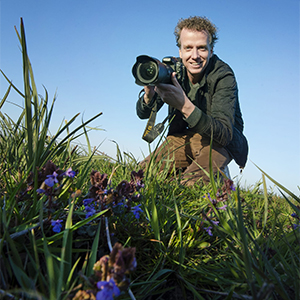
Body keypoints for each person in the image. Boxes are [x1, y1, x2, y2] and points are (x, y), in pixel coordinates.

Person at [136, 16, 248, 185]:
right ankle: (201, 172)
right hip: (183, 137)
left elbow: (224, 134)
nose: (194, 56)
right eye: (188, 48)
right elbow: (143, 115)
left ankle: (219, 175)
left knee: (188, 186)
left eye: (202, 48)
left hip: (220, 142)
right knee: (140, 177)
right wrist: (149, 95)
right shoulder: (174, 71)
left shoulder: (223, 75)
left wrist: (183, 105)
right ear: (180, 51)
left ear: (211, 51)